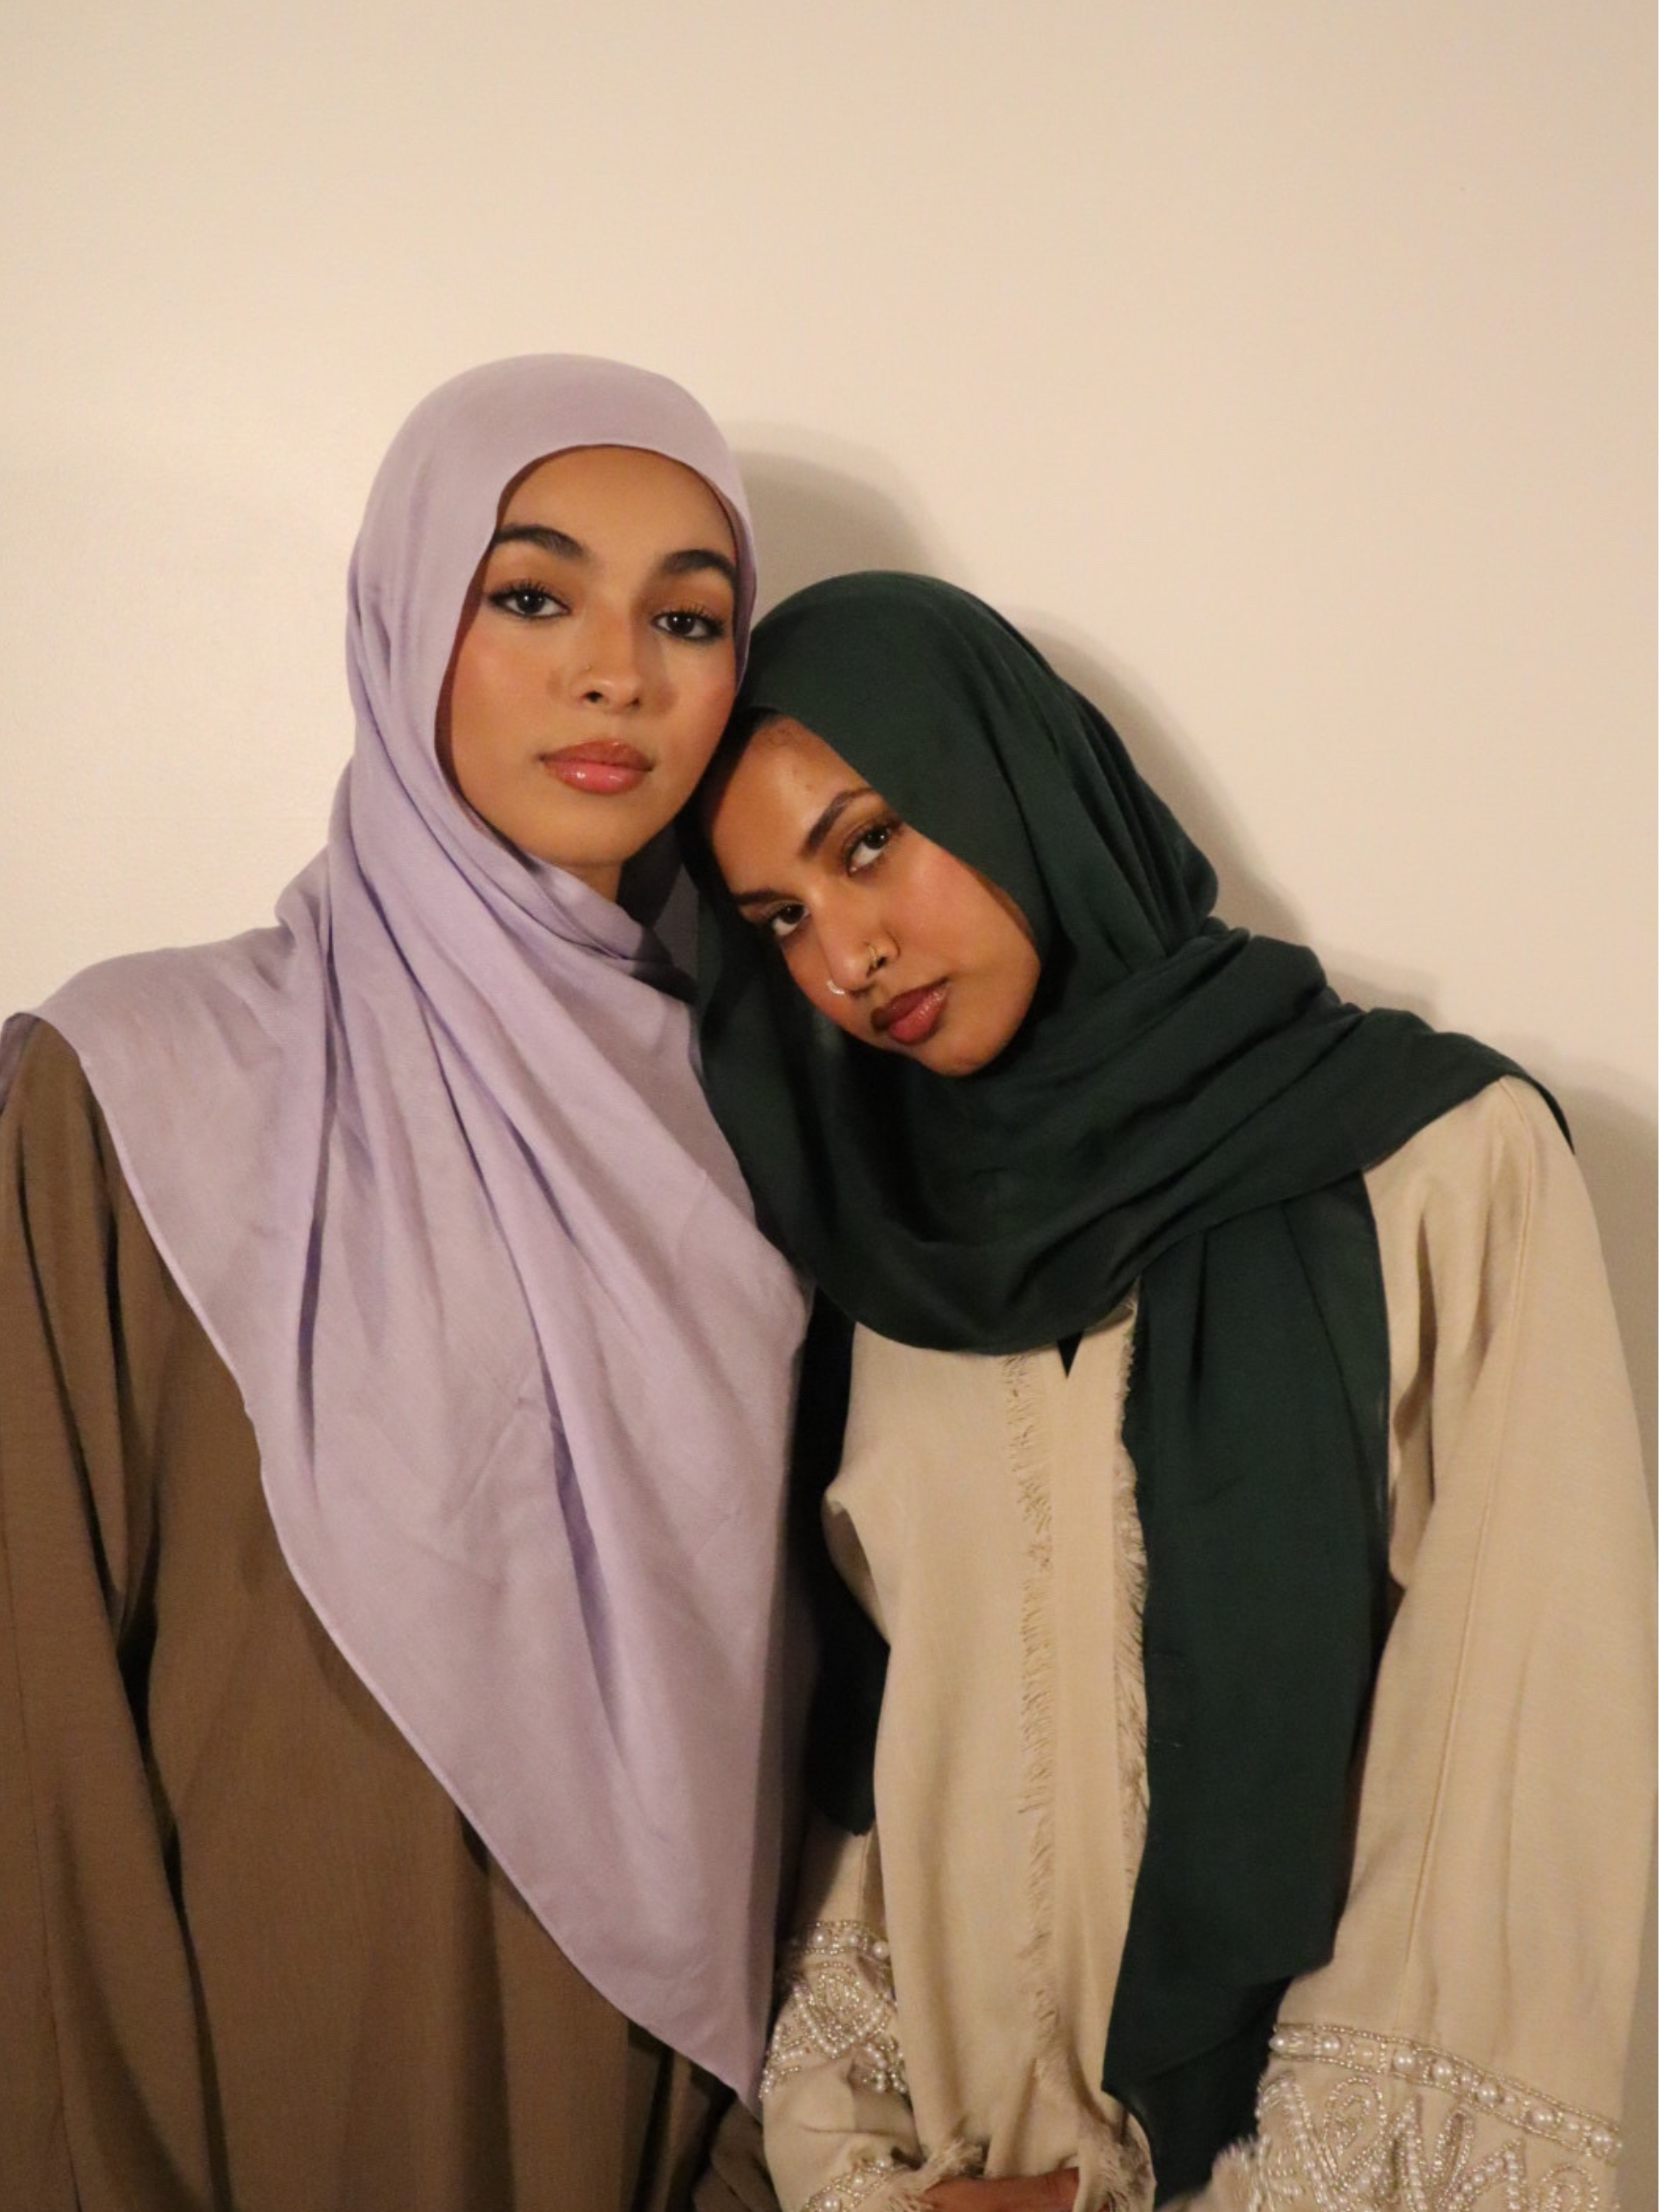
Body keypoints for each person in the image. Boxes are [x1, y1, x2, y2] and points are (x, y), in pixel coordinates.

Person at [687, 572, 1654, 2212]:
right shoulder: (895, 1273)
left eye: (869, 843)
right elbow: (876, 1779)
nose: (847, 955)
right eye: (779, 919)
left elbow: (1519, 1762)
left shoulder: (1438, 1166)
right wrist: (870, 2174)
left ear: (1014, 778)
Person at [0, 356, 808, 2212]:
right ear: (400, 622)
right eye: (529, 596)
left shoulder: (772, 1130)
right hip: (249, 2083)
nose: (617, 674)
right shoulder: (140, 1081)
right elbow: (33, 1718)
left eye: (688, 619)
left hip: (654, 2121)